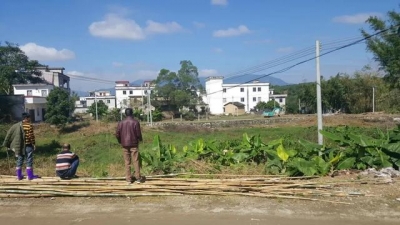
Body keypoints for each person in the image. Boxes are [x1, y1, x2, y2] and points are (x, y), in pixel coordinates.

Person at [2, 112, 40, 180]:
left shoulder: (16, 125)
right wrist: (34, 144)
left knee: (20, 159)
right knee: (29, 160)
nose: (29, 119)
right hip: (28, 145)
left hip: (20, 146)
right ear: (26, 118)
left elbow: (10, 133)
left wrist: (6, 143)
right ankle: (30, 176)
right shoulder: (29, 126)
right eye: (29, 118)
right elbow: (31, 136)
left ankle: (19, 176)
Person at [115, 108, 143, 184]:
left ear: (125, 114)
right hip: (134, 144)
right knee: (136, 161)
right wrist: (140, 139)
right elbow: (138, 134)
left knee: (127, 162)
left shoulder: (121, 123)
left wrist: (120, 141)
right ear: (132, 113)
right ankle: (138, 177)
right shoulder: (135, 122)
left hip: (124, 144)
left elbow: (117, 134)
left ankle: (128, 178)